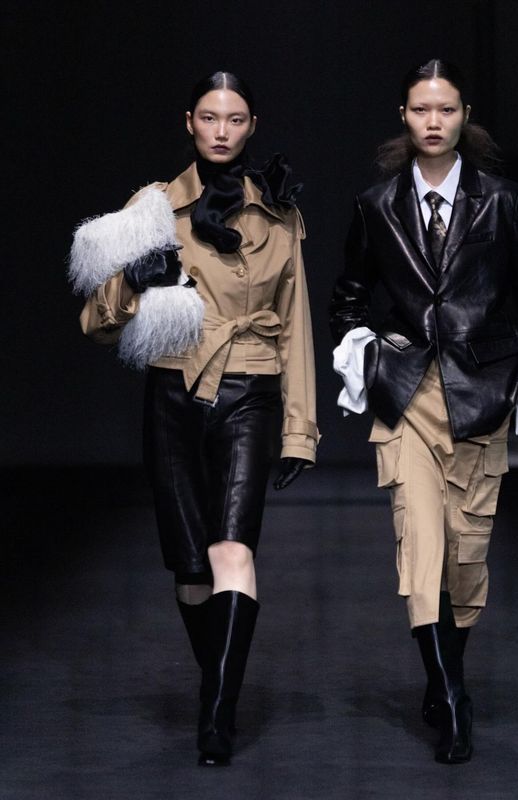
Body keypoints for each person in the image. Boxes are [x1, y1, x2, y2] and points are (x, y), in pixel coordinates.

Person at [69, 71, 318, 766]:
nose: (221, 131)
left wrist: (300, 429)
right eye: (209, 117)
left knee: (232, 550)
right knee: (189, 567)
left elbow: (296, 323)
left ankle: (217, 715)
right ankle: (220, 682)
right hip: (173, 391)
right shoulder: (152, 208)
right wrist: (131, 282)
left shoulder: (279, 213)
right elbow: (93, 322)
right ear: (189, 122)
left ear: (252, 125)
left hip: (251, 389)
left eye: (235, 119)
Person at [330, 59, 518, 764]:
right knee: (422, 545)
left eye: (446, 109)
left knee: (465, 555)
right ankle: (454, 699)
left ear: (465, 116)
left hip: (481, 394)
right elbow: (349, 295)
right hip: (408, 398)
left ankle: (441, 674)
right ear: (403, 115)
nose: (434, 121)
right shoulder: (376, 205)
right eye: (421, 109)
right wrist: (365, 349)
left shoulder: (504, 201)